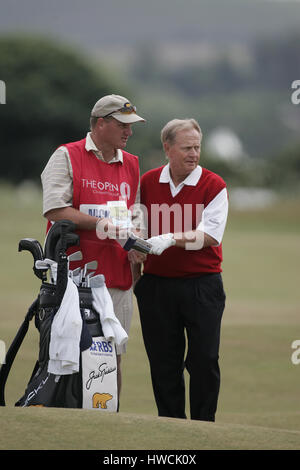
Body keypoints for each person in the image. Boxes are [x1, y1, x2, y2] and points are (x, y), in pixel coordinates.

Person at [41, 94, 146, 402]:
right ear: (101, 124)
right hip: (73, 277)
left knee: (111, 358)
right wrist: (104, 226)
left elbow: (133, 212)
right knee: (68, 354)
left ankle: (105, 424)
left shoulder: (131, 163)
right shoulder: (67, 155)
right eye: (123, 125)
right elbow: (55, 210)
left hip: (117, 276)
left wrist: (136, 240)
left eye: (131, 126)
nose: (129, 132)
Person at [134, 118, 228, 421]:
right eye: (187, 147)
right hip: (157, 287)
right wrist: (138, 279)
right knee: (163, 362)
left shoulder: (214, 185)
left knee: (204, 360)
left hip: (202, 286)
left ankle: (203, 426)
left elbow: (210, 235)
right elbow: (137, 228)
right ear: (167, 148)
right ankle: (171, 426)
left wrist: (171, 239)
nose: (193, 153)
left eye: (197, 147)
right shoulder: (147, 182)